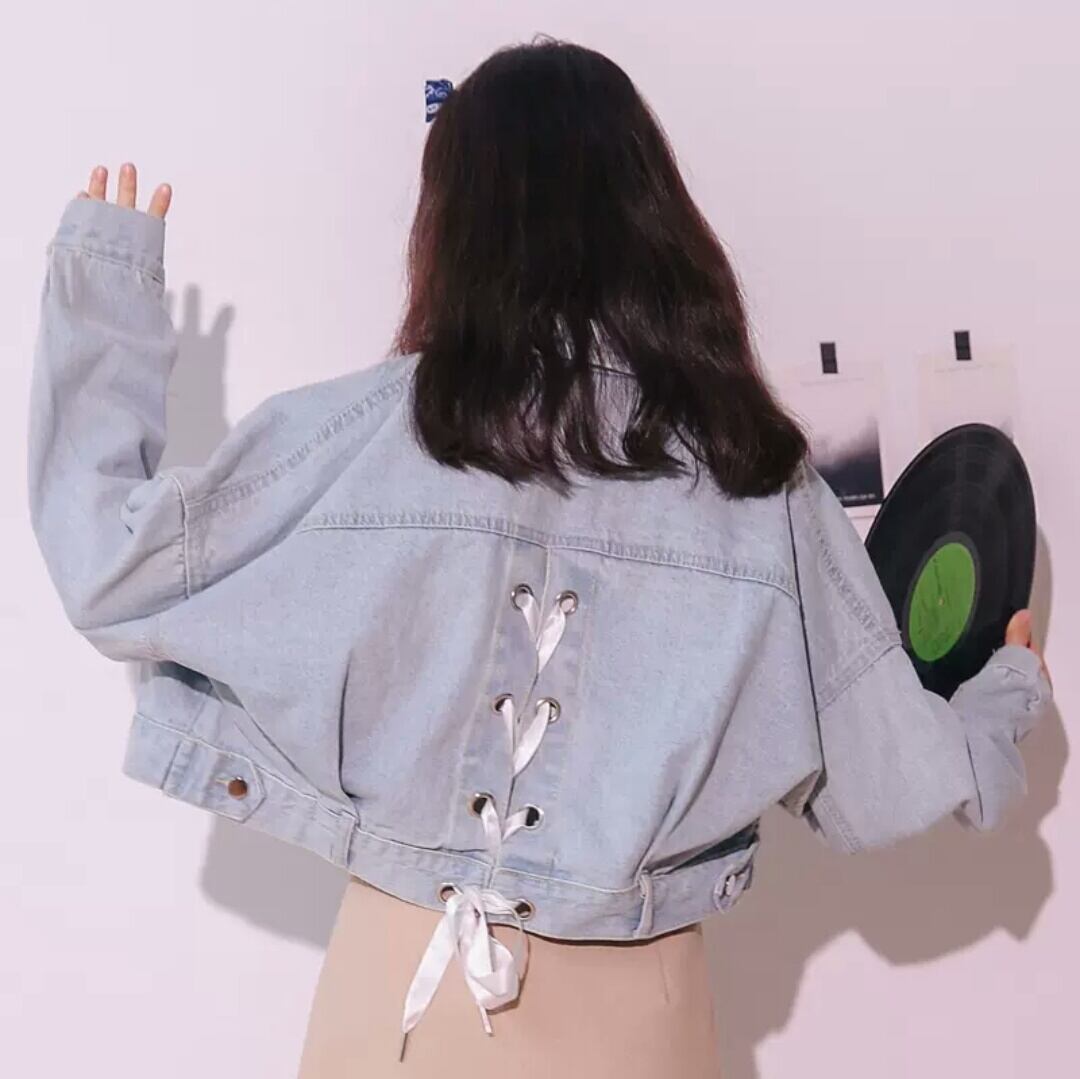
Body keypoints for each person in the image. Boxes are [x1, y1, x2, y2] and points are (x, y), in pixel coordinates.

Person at [27, 37, 1052, 1079]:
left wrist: (104, 293)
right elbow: (893, 779)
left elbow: (114, 563)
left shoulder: (367, 436)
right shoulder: (759, 482)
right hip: (640, 1018)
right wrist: (1004, 687)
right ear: (654, 217)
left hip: (397, 995)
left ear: (455, 223)